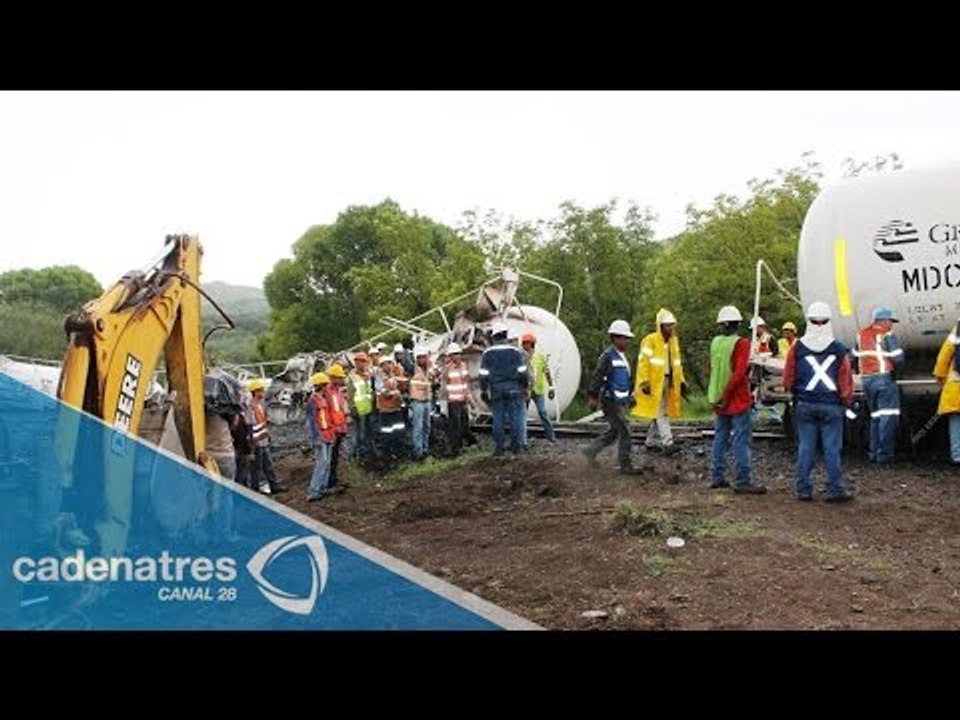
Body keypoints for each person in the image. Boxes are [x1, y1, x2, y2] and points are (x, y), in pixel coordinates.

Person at [782, 301, 855, 502]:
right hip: (832, 406)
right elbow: (845, 380)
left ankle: (804, 489)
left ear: (808, 321)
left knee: (806, 447)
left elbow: (788, 377)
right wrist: (846, 401)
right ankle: (835, 490)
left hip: (805, 404)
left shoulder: (797, 347)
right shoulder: (838, 349)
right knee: (832, 449)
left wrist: (793, 393)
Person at [707, 306, 766, 494]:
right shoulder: (741, 344)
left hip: (717, 397)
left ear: (720, 325)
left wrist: (720, 396)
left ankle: (717, 476)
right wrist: (727, 395)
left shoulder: (716, 343)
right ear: (738, 324)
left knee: (720, 437)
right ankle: (743, 480)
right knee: (741, 440)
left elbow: (716, 369)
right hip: (737, 399)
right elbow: (739, 373)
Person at [583, 319, 639, 474]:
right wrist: (593, 396)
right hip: (610, 400)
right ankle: (625, 465)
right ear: (616, 338)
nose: (628, 341)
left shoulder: (621, 357)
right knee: (625, 430)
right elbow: (598, 376)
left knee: (615, 431)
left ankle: (590, 451)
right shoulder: (608, 356)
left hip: (619, 400)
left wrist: (630, 396)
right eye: (625, 338)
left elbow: (625, 380)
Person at [633, 308, 687, 455]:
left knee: (657, 413)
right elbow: (643, 362)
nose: (671, 328)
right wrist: (644, 382)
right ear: (660, 326)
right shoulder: (650, 340)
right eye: (667, 325)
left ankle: (650, 442)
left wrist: (681, 381)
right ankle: (667, 442)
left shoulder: (673, 342)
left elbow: (677, 363)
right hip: (655, 383)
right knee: (660, 412)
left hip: (669, 381)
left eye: (672, 325)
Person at [853, 307, 904, 463]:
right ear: (883, 321)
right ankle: (884, 455)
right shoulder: (887, 335)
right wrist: (897, 372)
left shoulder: (861, 335)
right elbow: (898, 358)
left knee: (875, 417)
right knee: (888, 418)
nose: (892, 325)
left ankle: (873, 453)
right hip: (884, 379)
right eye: (890, 322)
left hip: (867, 381)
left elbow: (853, 356)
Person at [479, 321, 529, 456]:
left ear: (494, 336)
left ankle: (499, 449)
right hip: (515, 388)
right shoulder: (516, 351)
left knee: (498, 419)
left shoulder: (487, 353)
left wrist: (484, 390)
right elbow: (522, 372)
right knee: (516, 418)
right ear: (506, 335)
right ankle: (516, 447)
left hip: (496, 389)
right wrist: (525, 387)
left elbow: (483, 374)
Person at [246, 378, 287, 495]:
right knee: (256, 468)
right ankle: (254, 490)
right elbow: (249, 426)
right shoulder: (251, 407)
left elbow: (263, 422)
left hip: (263, 439)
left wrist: (267, 436)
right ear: (255, 392)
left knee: (268, 465)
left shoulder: (260, 405)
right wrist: (252, 444)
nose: (263, 392)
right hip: (257, 442)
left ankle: (274, 485)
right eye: (261, 390)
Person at [932, 319, 960, 464]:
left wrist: (940, 375)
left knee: (956, 420)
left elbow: (946, 352)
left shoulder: (958, 328)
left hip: (956, 383)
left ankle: (957, 456)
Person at [304, 372, 334, 502]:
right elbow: (310, 422)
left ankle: (323, 487)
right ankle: (314, 490)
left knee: (327, 463)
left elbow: (326, 417)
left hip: (327, 433)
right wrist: (314, 439)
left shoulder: (323, 399)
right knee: (321, 463)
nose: (328, 386)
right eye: (326, 385)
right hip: (320, 436)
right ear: (322, 386)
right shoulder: (313, 401)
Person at [521, 332, 556, 443]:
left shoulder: (540, 357)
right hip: (525, 390)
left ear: (531, 344)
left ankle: (551, 436)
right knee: (522, 415)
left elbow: (547, 372)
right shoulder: (520, 356)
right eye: (523, 343)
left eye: (525, 343)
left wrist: (551, 387)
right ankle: (523, 439)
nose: (523, 345)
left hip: (538, 390)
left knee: (542, 412)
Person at [443, 342, 472, 457]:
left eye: (459, 354)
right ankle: (455, 449)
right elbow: (443, 386)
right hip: (453, 401)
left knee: (464, 424)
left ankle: (462, 445)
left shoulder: (463, 366)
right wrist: (444, 403)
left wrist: (469, 397)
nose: (458, 356)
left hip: (462, 400)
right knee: (455, 426)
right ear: (450, 356)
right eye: (455, 354)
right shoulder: (447, 369)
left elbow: (466, 382)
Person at [408, 347, 437, 459]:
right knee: (418, 428)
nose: (422, 360)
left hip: (427, 401)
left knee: (427, 427)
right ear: (416, 359)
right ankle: (418, 452)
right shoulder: (413, 369)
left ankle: (425, 449)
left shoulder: (429, 370)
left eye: (424, 357)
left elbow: (433, 380)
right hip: (417, 402)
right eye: (419, 358)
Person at [324, 363, 350, 488]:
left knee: (335, 456)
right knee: (330, 457)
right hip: (332, 429)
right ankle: (328, 481)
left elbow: (341, 408)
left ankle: (333, 479)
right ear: (333, 377)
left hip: (339, 428)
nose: (342, 379)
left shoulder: (338, 391)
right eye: (340, 377)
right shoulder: (327, 392)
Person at [346, 351, 375, 463]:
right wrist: (352, 409)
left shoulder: (367, 376)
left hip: (367, 409)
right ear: (356, 363)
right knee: (358, 435)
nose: (363, 364)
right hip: (358, 410)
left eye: (364, 362)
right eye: (361, 362)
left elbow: (369, 391)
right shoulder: (352, 377)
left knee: (367, 434)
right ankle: (355, 456)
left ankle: (365, 455)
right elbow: (350, 395)